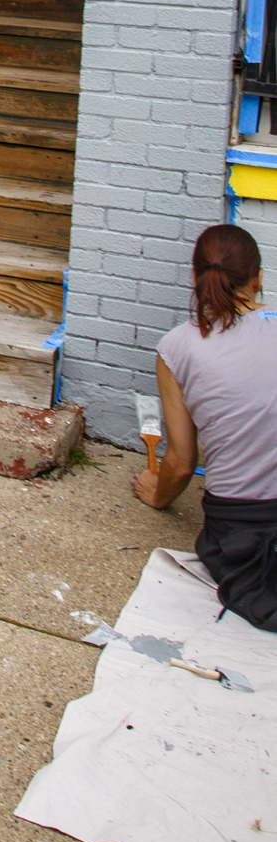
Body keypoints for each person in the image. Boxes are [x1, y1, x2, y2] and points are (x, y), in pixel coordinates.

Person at [133, 222, 277, 630]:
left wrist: (156, 495)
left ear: (195, 278)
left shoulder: (177, 347)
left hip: (240, 530)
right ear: (259, 278)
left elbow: (180, 463)